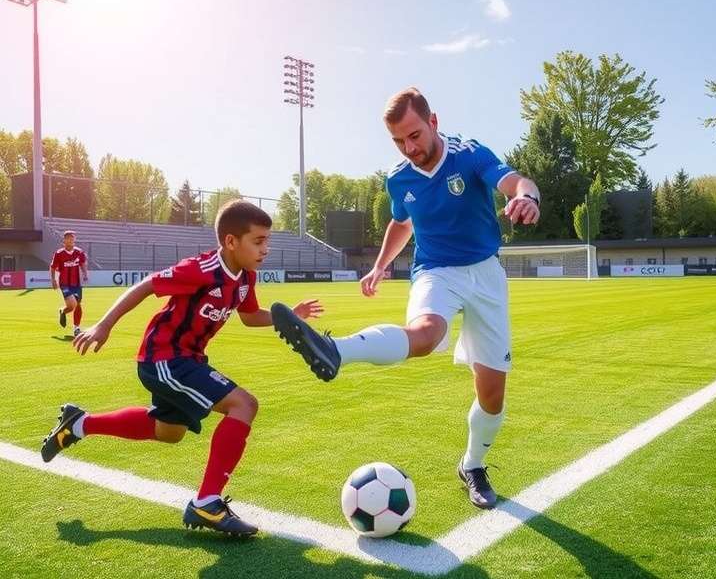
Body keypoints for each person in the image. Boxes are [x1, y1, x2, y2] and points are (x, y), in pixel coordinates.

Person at [271, 87, 540, 509]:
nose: (409, 148)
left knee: (492, 396)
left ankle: (472, 464)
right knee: (427, 333)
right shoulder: (399, 178)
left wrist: (526, 197)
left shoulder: (469, 155)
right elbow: (402, 223)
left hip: (486, 275)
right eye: (399, 141)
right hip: (435, 271)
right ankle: (333, 349)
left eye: (414, 135)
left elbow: (516, 182)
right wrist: (380, 265)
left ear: (433, 122)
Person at [40, 200, 323, 536]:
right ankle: (207, 503)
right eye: (258, 241)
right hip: (164, 357)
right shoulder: (200, 270)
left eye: (267, 241)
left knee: (168, 432)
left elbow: (249, 317)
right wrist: (103, 325)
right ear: (231, 241)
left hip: (186, 359)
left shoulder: (246, 276)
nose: (266, 249)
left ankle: (79, 424)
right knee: (244, 404)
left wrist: (287, 315)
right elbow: (146, 286)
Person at [50, 230, 89, 336]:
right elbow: (53, 267)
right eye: (68, 239)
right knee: (73, 304)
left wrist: (85, 274)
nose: (71, 241)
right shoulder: (59, 253)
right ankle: (75, 326)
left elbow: (83, 263)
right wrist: (53, 280)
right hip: (64, 283)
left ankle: (75, 326)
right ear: (64, 240)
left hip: (76, 283)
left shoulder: (79, 252)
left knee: (76, 306)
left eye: (72, 239)